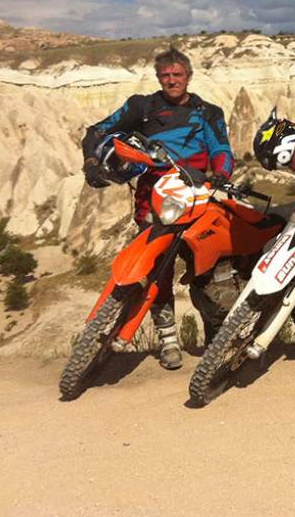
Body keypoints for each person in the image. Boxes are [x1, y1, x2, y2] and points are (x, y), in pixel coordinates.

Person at [81, 47, 234, 370]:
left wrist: (220, 175)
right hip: (152, 200)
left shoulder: (208, 112)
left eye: (177, 75)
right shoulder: (142, 107)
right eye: (165, 75)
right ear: (158, 78)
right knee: (156, 272)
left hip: (196, 198)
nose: (171, 80)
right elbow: (98, 131)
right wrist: (92, 160)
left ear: (189, 77)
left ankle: (215, 334)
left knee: (206, 269)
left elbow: (221, 148)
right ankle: (168, 341)